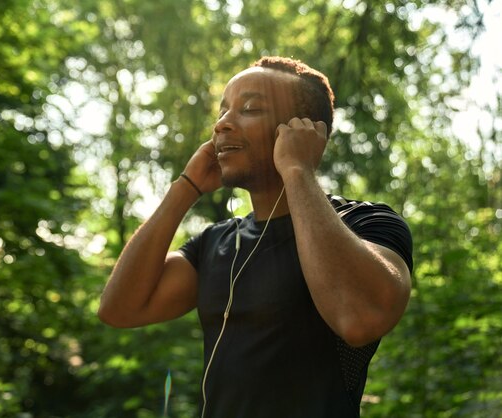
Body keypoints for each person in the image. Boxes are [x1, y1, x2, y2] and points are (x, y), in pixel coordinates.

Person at [98, 56, 413, 418]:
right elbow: (119, 308)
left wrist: (297, 170)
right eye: (222, 111)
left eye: (249, 109)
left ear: (302, 130)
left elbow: (360, 319)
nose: (221, 125)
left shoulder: (365, 224)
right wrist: (185, 188)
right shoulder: (215, 243)